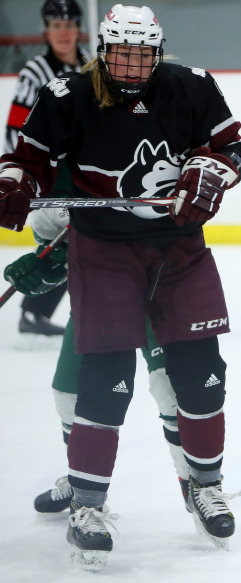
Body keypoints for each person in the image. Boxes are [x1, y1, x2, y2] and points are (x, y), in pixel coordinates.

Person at [0, 4, 241, 570]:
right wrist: (16, 182)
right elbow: (31, 158)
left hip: (179, 248)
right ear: (105, 51)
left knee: (200, 373)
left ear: (157, 52)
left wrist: (216, 170)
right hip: (104, 251)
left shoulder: (191, 86)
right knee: (105, 377)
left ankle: (206, 486)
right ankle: (88, 504)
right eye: (123, 54)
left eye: (144, 55)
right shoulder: (69, 96)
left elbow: (239, 149)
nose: (134, 65)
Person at [3, 207, 191, 515]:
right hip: (97, 296)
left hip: (155, 290)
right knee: (68, 393)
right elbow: (58, 247)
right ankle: (81, 480)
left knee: (170, 389)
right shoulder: (57, 192)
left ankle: (194, 484)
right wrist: (46, 266)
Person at [4, 0, 90, 344]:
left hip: (88, 172)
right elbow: (17, 131)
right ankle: (34, 310)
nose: (64, 33)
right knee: (65, 241)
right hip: (54, 176)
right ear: (46, 31)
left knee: (82, 240)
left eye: (69, 25)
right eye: (57, 26)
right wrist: (26, 173)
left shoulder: (90, 64)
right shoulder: (35, 73)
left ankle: (39, 311)